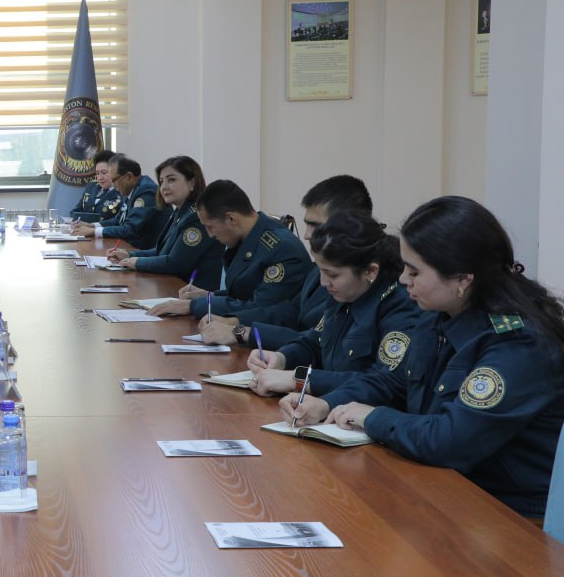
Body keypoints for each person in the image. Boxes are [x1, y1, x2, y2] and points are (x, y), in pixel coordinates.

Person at [281, 196, 564, 520]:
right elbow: (391, 381)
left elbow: (451, 440)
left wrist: (372, 418)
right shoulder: (437, 316)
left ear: (462, 279)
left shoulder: (518, 344)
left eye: (415, 272)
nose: (403, 279)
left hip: (508, 515)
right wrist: (328, 404)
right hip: (442, 488)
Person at [245, 211, 420, 396]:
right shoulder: (344, 292)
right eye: (321, 270)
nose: (323, 282)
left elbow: (384, 382)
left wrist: (299, 380)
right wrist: (282, 357)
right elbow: (315, 342)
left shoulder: (400, 306)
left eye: (333, 275)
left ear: (370, 271)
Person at [198, 175, 373, 347]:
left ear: (350, 225)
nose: (306, 235)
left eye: (316, 226)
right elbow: (289, 312)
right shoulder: (317, 272)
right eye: (307, 224)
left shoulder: (365, 284)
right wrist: (234, 322)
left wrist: (241, 332)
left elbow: (319, 342)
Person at [148, 179, 311, 319]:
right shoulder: (249, 236)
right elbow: (246, 294)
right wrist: (210, 296)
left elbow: (261, 309)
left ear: (231, 219)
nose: (210, 235)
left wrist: (193, 306)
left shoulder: (282, 249)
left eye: (210, 227)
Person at [106, 155, 222, 290]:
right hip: (173, 288)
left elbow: (175, 263)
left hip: (194, 296)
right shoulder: (180, 212)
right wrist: (129, 255)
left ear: (192, 183)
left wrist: (136, 262)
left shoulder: (197, 217)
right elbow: (161, 251)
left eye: (171, 180)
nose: (163, 187)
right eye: (161, 181)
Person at [71, 155, 164, 248]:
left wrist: (94, 231)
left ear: (128, 177)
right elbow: (118, 220)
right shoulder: (132, 189)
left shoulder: (146, 191)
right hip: (129, 247)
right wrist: (92, 225)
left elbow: (130, 229)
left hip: (144, 250)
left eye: (114, 180)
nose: (113, 185)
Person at [69, 150, 119, 223]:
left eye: (104, 173)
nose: (100, 177)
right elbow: (75, 211)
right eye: (97, 173)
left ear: (115, 171)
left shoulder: (121, 192)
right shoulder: (91, 186)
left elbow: (119, 220)